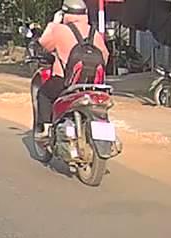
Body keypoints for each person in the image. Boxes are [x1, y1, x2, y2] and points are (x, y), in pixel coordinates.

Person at [32, 0, 109, 138]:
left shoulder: (59, 30)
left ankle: (46, 130)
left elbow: (43, 44)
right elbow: (105, 55)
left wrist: (54, 23)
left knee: (44, 94)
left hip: (66, 82)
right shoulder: (94, 32)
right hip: (93, 85)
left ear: (64, 14)